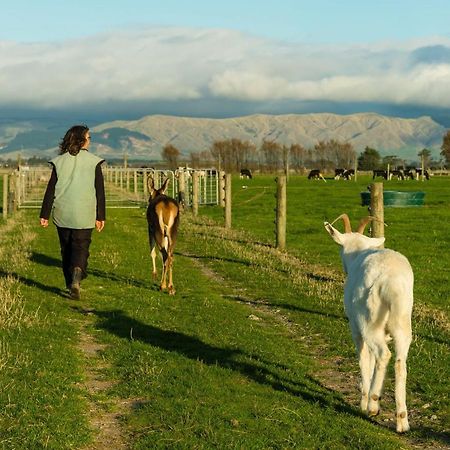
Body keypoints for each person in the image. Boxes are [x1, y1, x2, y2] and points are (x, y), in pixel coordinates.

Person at [39, 125, 106, 299]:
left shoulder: (59, 161)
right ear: (81, 139)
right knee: (81, 247)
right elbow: (100, 191)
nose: (90, 140)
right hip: (84, 212)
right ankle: (77, 275)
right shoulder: (94, 161)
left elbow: (51, 189)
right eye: (89, 137)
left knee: (66, 249)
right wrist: (101, 216)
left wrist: (44, 214)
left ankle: (70, 283)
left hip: (63, 212)